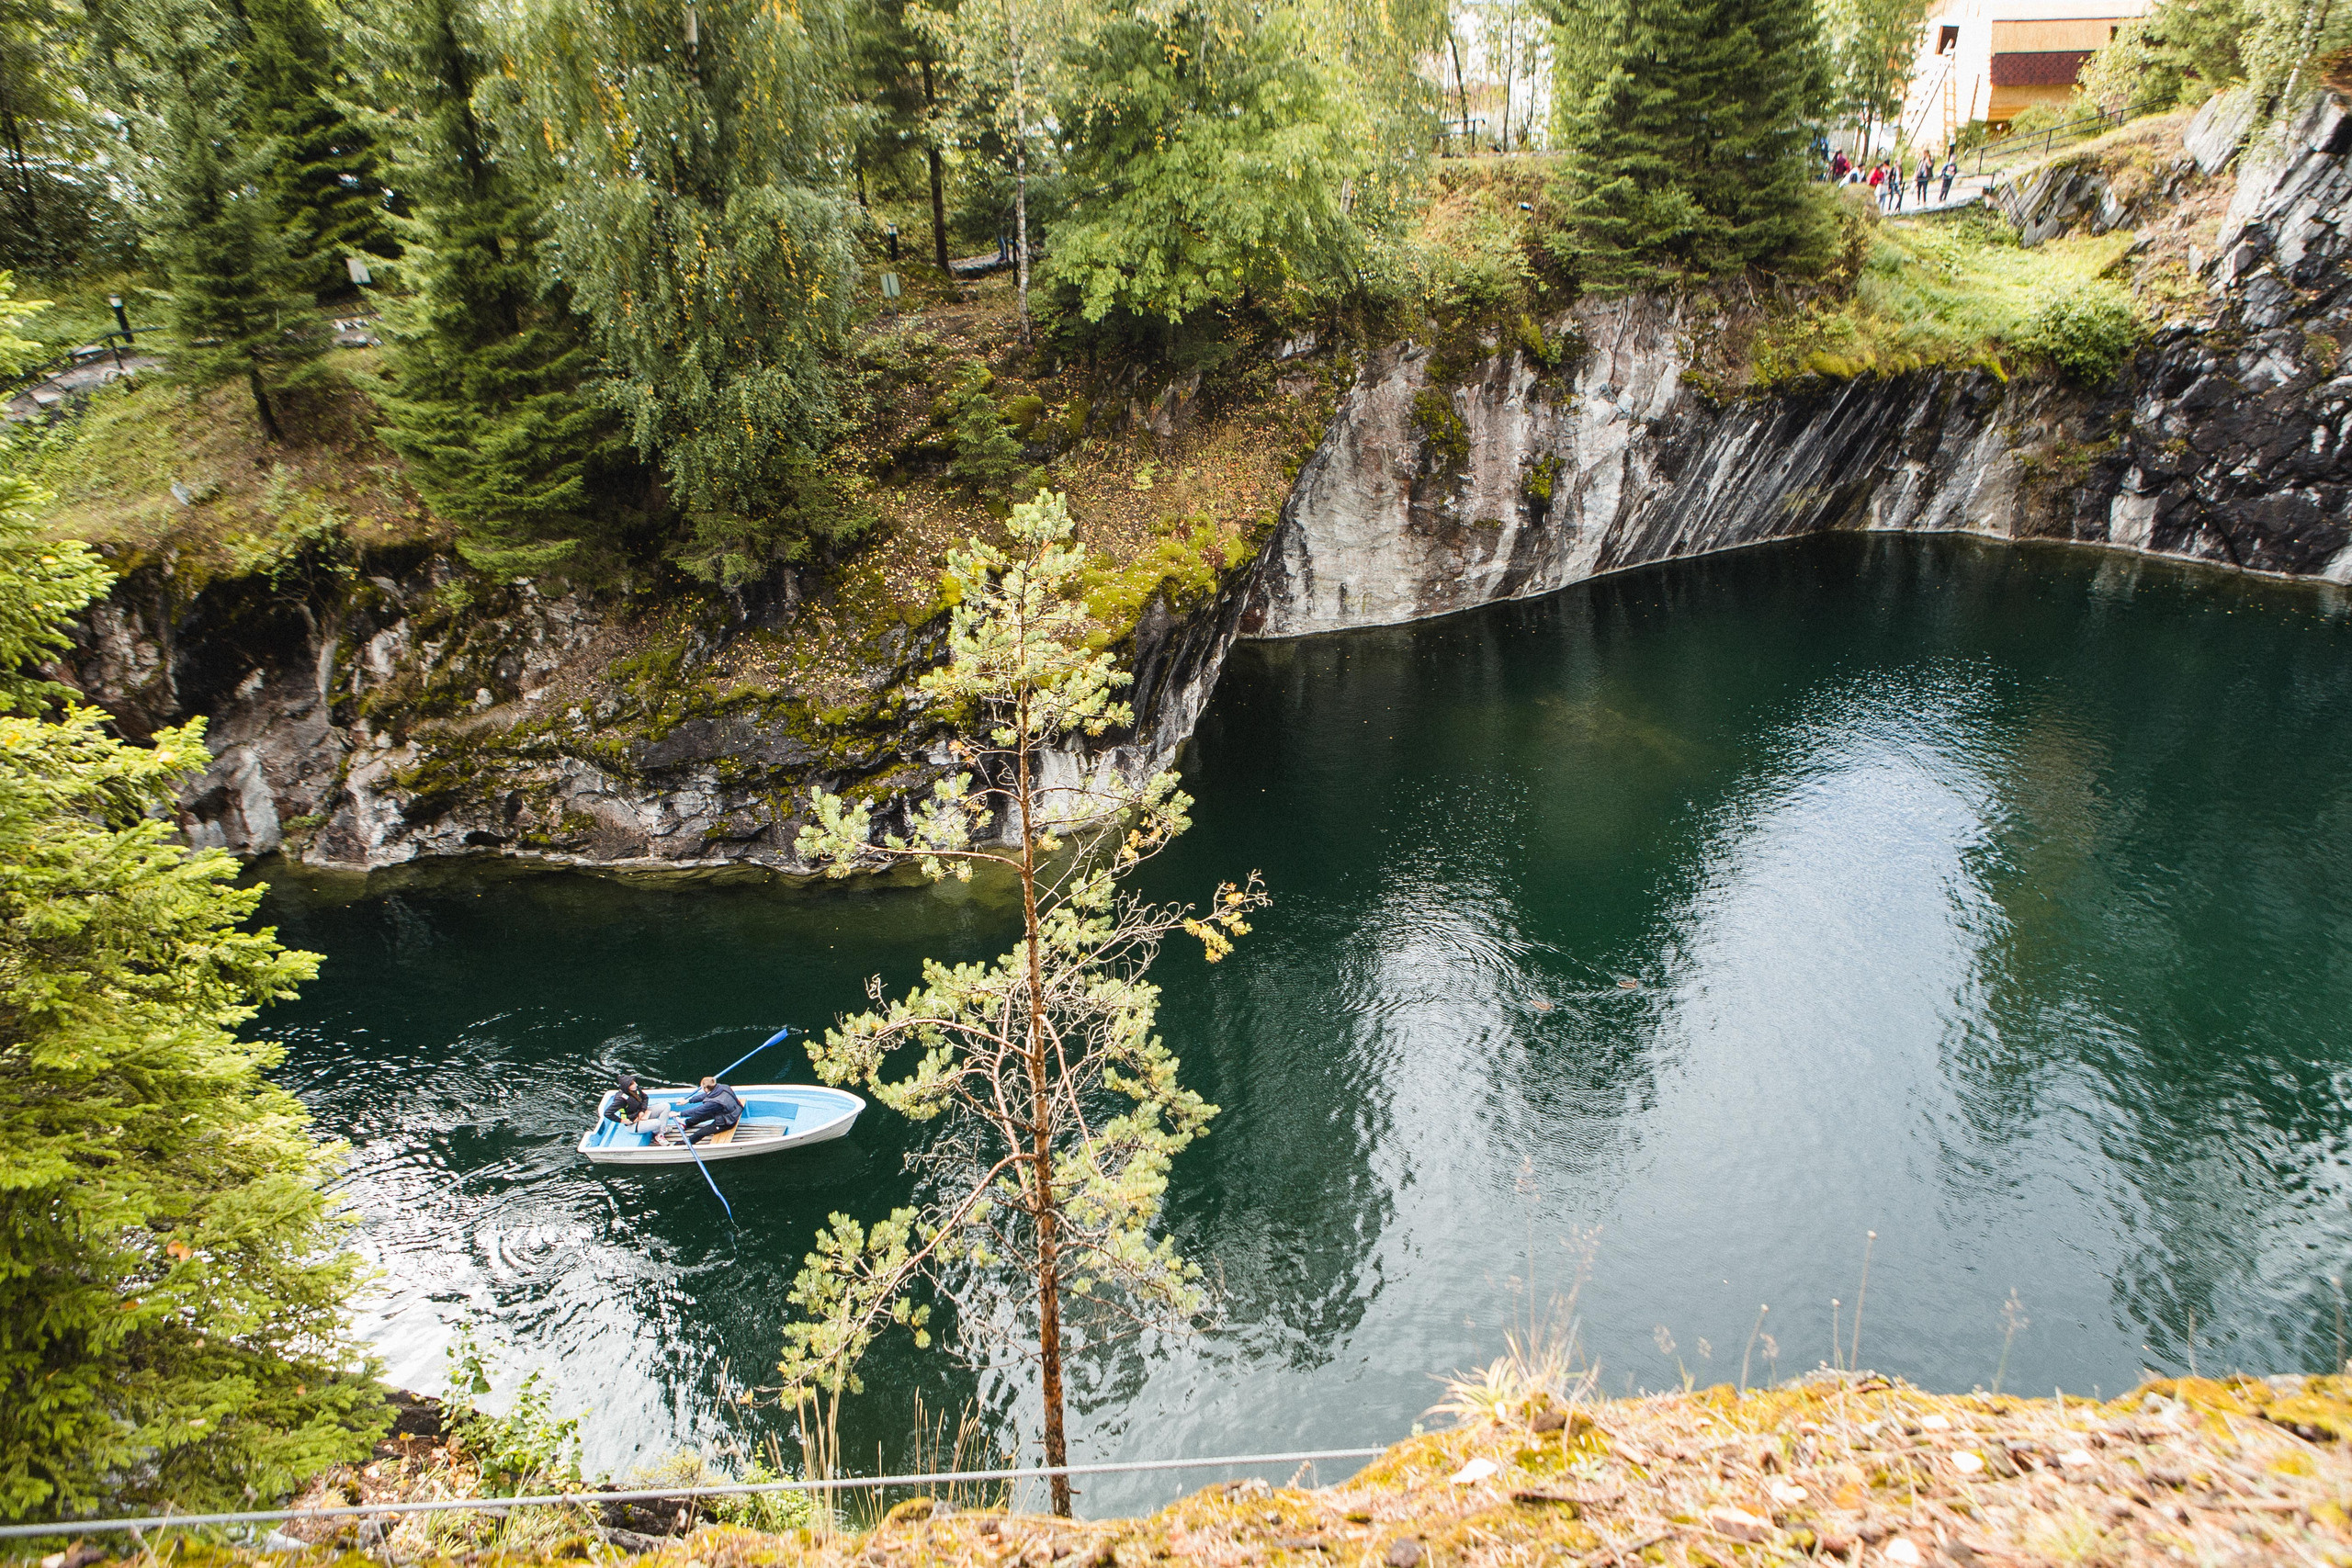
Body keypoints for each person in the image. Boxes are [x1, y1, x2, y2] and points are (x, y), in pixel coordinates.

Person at [672, 1076, 743, 1145]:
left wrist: (678, 1114)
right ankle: (686, 1123)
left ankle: (686, 1143)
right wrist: (688, 1101)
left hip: (727, 1122)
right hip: (727, 1111)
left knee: (700, 1133)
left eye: (702, 1087)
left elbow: (697, 1111)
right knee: (701, 1116)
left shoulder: (714, 1103)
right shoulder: (724, 1087)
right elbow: (706, 1095)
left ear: (706, 1088)